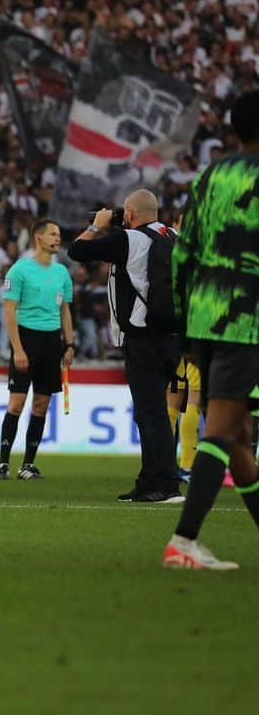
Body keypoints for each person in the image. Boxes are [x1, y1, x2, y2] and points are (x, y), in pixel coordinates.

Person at [162, 90, 259, 570]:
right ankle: (183, 540)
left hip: (204, 315)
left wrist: (185, 323)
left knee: (238, 433)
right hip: (245, 317)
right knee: (222, 426)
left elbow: (184, 252)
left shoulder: (211, 176)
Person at [70, 191, 183, 503]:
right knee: (150, 411)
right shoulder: (172, 235)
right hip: (172, 336)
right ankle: (149, 481)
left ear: (131, 213)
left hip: (143, 337)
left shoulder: (128, 239)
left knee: (152, 412)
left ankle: (166, 483)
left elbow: (77, 251)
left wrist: (97, 225)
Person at [0, 218, 74, 481]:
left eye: (59, 234)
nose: (57, 238)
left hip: (52, 342)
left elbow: (65, 310)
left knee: (41, 405)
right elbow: (9, 311)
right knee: (16, 403)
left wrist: (70, 344)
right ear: (38, 238)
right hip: (26, 340)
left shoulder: (62, 273)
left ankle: (27, 465)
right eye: (53, 234)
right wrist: (18, 349)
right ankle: (3, 463)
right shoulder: (19, 270)